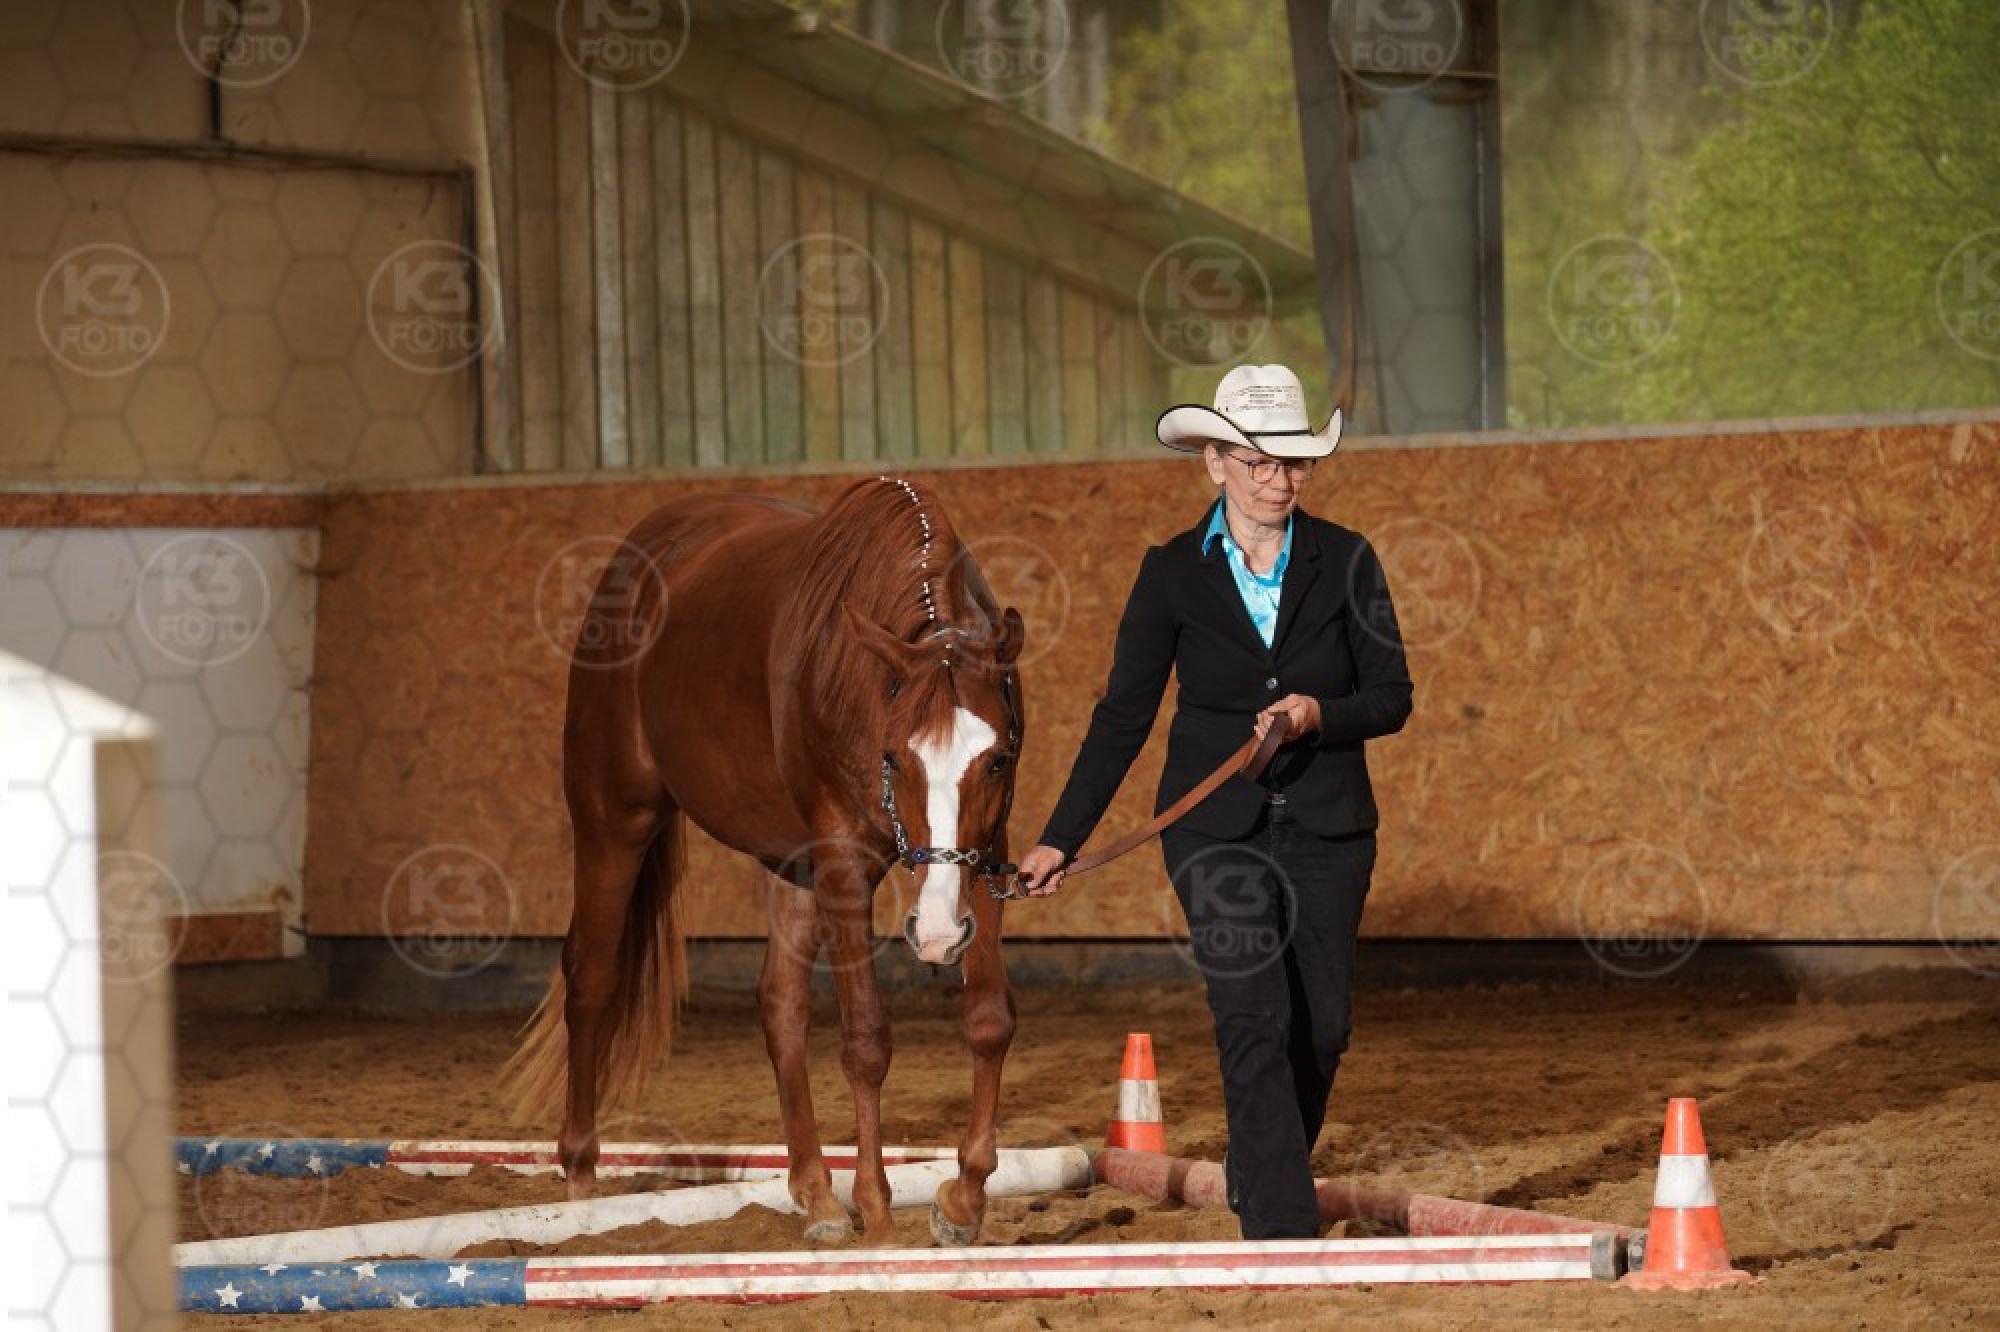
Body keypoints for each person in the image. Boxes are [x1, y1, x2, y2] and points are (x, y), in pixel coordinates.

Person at [1014, 363, 1414, 1241]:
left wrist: (1317, 714)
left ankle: (1258, 1169)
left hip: (1330, 829)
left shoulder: (1349, 559)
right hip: (1213, 832)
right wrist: (1059, 839)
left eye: (1294, 463)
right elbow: (1122, 717)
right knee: (1252, 1016)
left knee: (1323, 1030)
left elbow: (1392, 697)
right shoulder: (1168, 573)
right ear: (1216, 463)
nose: (1279, 480)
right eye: (1259, 462)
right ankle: (1280, 1229)